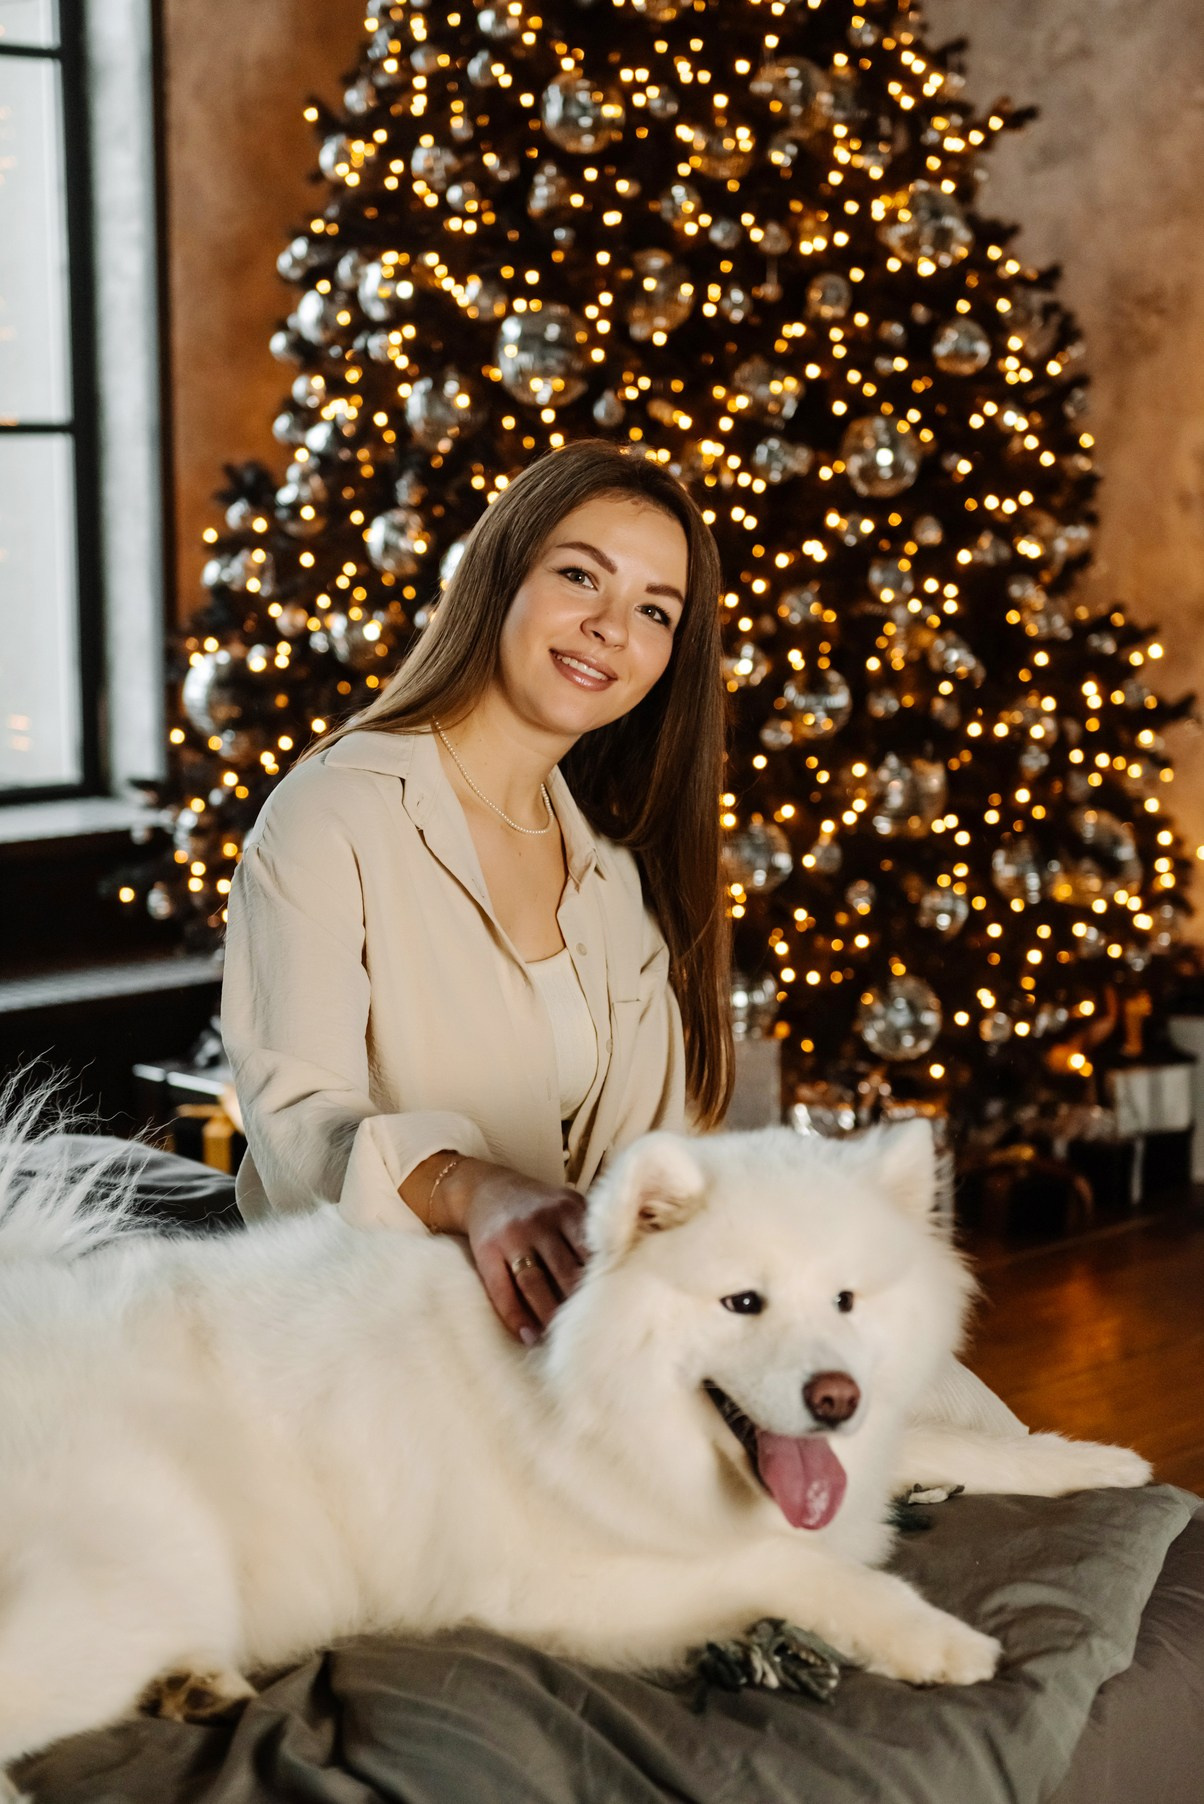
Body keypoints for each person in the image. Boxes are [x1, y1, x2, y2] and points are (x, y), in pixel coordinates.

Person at [221, 440, 733, 1344]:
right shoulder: (330, 812)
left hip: (581, 1340)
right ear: (501, 574)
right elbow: (299, 1127)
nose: (612, 627)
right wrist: (481, 1187)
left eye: (655, 609)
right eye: (581, 576)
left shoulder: (614, 878)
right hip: (377, 1332)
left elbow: (660, 1160)